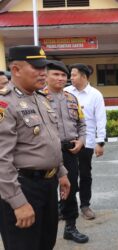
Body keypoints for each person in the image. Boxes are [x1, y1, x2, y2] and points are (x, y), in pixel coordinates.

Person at [0, 45, 70, 250]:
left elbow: (50, 140)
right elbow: (2, 160)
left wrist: (62, 172)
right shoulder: (6, 104)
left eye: (44, 68)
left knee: (45, 243)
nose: (43, 73)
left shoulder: (40, 99)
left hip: (48, 186)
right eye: (37, 68)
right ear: (15, 70)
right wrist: (18, 202)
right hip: (23, 186)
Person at [44, 60, 89, 243]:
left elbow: (82, 124)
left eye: (64, 75)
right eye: (55, 74)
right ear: (46, 76)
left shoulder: (72, 98)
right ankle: (45, 231)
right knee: (46, 192)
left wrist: (82, 140)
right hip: (46, 152)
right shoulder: (39, 97)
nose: (61, 78)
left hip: (70, 151)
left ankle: (70, 227)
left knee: (70, 189)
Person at [65, 63, 107, 220]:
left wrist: (100, 142)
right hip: (68, 141)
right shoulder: (66, 92)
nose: (71, 78)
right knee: (67, 175)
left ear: (83, 76)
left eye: (74, 75)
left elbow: (100, 119)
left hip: (87, 142)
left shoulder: (95, 95)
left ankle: (85, 205)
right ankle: (66, 206)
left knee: (85, 174)